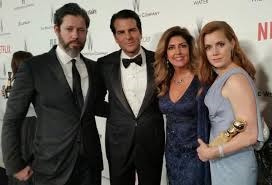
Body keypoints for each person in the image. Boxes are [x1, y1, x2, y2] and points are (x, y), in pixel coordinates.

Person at [1, 3, 108, 185]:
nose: (76, 35)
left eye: (81, 30)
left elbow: (95, 106)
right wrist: (14, 164)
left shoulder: (94, 68)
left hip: (90, 165)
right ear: (57, 29)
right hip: (51, 166)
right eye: (69, 29)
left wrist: (130, 112)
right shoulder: (34, 67)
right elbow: (12, 118)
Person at [97, 9, 165, 185]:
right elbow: (95, 102)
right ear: (115, 37)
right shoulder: (104, 64)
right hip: (118, 142)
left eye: (132, 30)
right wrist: (118, 115)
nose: (128, 36)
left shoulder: (159, 60)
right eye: (121, 32)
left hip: (151, 140)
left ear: (140, 32)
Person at [196, 21, 264, 185]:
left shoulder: (236, 80)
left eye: (220, 44)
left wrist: (214, 152)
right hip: (223, 161)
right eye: (208, 47)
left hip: (235, 163)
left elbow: (250, 134)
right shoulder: (222, 76)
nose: (215, 52)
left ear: (232, 43)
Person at [153, 26, 211, 185]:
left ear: (190, 49)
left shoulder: (203, 77)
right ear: (165, 53)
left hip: (197, 154)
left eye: (182, 46)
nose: (177, 52)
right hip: (171, 153)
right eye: (171, 47)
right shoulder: (164, 80)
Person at [0, 51, 36, 185]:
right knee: (25, 163)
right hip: (27, 127)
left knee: (22, 163)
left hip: (23, 127)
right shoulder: (11, 83)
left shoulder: (12, 83)